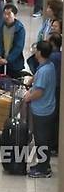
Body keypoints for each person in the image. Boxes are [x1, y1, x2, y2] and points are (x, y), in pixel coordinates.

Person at [23, 41, 57, 178]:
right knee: (43, 140)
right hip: (47, 108)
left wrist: (28, 97)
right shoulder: (48, 65)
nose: (34, 52)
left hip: (42, 111)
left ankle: (43, 169)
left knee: (41, 140)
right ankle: (43, 164)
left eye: (36, 50)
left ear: (40, 53)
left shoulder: (44, 70)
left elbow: (39, 92)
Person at [0, 4, 26, 78]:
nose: (6, 16)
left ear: (15, 15)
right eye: (4, 14)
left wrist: (8, 59)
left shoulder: (20, 28)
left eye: (9, 14)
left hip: (14, 63)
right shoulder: (0, 26)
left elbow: (19, 46)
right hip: (1, 61)